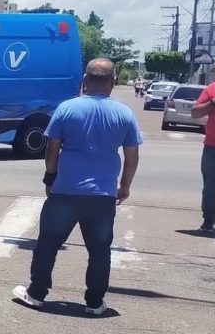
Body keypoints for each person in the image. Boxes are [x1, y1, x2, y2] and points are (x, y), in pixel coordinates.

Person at [13, 58, 141, 316]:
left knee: (48, 244)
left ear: (85, 80)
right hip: (103, 195)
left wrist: (50, 176)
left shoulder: (66, 109)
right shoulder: (125, 114)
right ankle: (94, 302)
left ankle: (37, 294)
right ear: (113, 81)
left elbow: (52, 147)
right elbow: (132, 155)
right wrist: (124, 185)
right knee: (99, 251)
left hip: (65, 190)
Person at [190, 58, 215, 235]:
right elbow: (195, 113)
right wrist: (214, 102)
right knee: (211, 187)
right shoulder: (212, 89)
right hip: (214, 149)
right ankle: (209, 220)